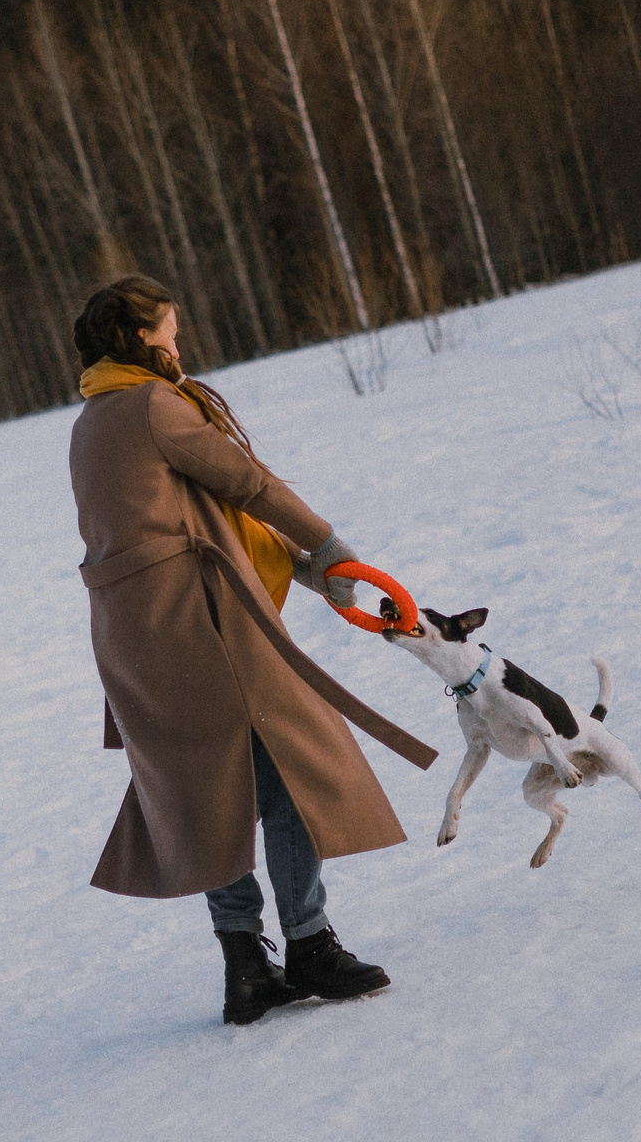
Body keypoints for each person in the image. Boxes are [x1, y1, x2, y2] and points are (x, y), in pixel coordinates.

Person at [67, 275, 436, 1025]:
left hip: (133, 637)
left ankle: (245, 966)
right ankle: (309, 944)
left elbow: (193, 516)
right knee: (293, 765)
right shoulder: (154, 405)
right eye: (170, 333)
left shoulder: (91, 421)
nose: (179, 346)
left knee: (205, 788)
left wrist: (297, 569)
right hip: (199, 621)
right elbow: (247, 486)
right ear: (138, 339)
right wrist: (327, 547)